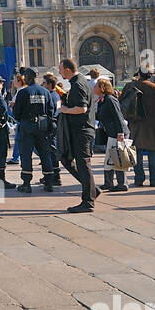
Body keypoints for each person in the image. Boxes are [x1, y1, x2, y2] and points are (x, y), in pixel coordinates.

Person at [57, 59, 99, 212]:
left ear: (67, 69)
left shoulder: (79, 84)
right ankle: (92, 190)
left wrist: (65, 110)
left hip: (82, 130)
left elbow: (81, 108)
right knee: (67, 159)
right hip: (79, 130)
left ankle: (88, 201)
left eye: (61, 69)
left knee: (83, 164)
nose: (60, 72)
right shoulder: (79, 82)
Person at [12, 68, 57, 193]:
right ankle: (49, 182)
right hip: (42, 127)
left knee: (26, 155)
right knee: (45, 154)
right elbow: (50, 110)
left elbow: (16, 113)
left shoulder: (24, 92)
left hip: (27, 126)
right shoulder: (45, 92)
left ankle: (26, 183)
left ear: (27, 77)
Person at [120, 70, 155, 187]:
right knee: (153, 151)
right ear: (150, 75)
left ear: (139, 74)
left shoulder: (129, 86)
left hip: (135, 123)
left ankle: (139, 178)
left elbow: (121, 103)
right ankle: (154, 178)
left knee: (137, 152)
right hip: (152, 124)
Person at [95, 78, 130, 192]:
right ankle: (108, 182)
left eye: (96, 86)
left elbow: (118, 116)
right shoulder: (103, 99)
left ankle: (122, 184)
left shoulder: (110, 99)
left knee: (119, 158)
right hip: (111, 133)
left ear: (102, 88)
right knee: (110, 158)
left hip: (117, 133)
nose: (94, 87)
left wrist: (121, 133)